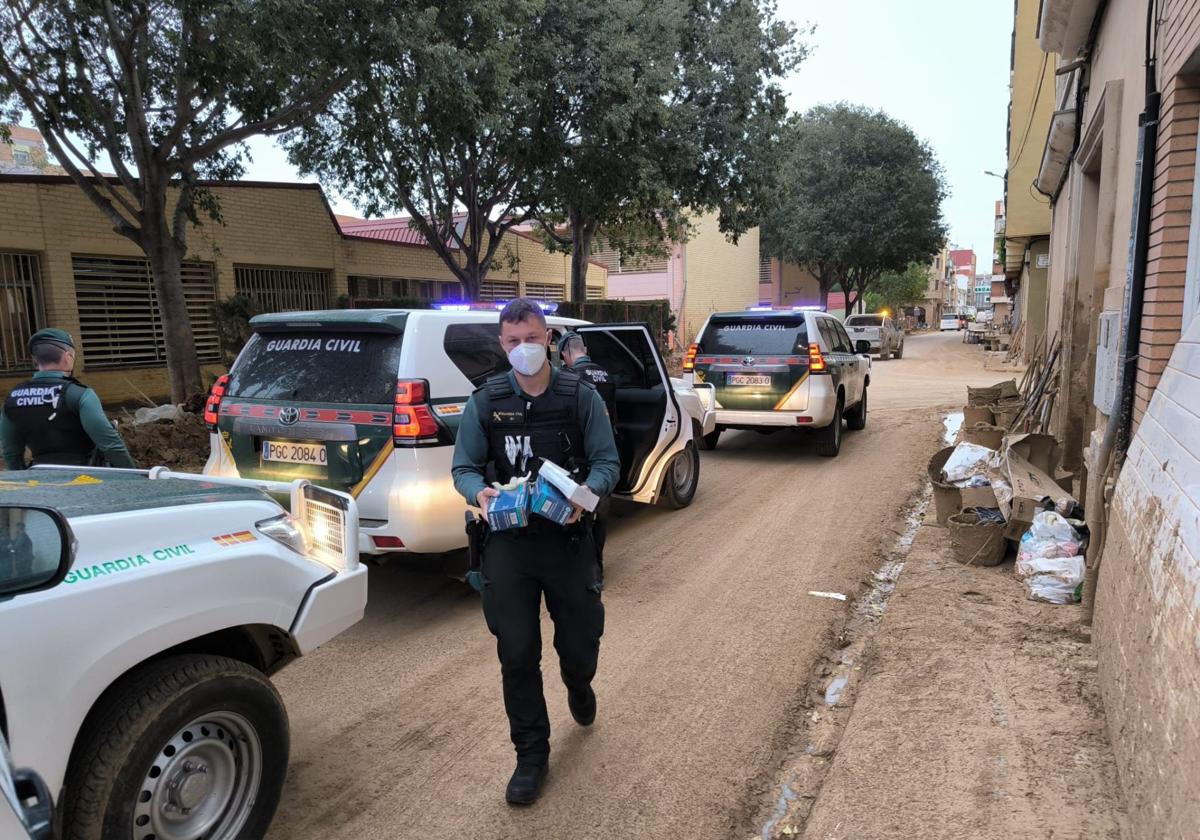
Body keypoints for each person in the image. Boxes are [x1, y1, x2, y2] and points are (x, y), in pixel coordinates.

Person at [451, 298, 620, 806]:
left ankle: (579, 682)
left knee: (580, 642)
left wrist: (583, 494)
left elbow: (607, 462)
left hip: (567, 541)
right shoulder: (485, 400)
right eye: (512, 341)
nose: (523, 349)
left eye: (531, 338)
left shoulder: (579, 397)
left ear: (548, 339)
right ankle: (531, 755)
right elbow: (464, 468)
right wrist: (477, 492)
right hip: (509, 544)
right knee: (517, 652)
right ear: (502, 346)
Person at [0, 329, 136, 470]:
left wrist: (23, 483)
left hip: (39, 478)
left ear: (36, 360)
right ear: (67, 357)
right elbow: (110, 445)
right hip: (85, 478)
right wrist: (134, 478)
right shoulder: (79, 394)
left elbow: (10, 452)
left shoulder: (12, 399)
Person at [558, 330, 616, 576]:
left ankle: (584, 570)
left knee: (581, 515)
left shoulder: (569, 377)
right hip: (606, 451)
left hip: (580, 456)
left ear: (565, 353)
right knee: (599, 513)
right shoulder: (606, 374)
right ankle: (598, 569)